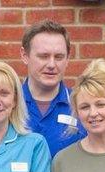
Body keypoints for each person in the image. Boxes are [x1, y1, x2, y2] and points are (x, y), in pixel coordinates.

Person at [20, 20, 85, 158]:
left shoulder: (82, 106)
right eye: (43, 56)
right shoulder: (7, 105)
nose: (51, 64)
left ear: (68, 58)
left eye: (59, 57)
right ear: (25, 56)